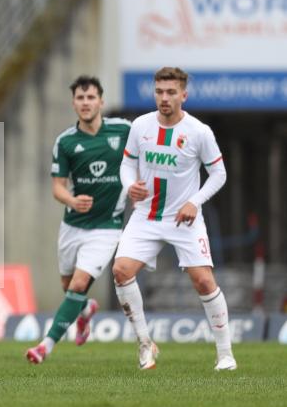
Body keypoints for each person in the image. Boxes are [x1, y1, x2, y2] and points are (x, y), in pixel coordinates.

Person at [112, 67, 235, 371]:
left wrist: (195, 201)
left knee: (204, 281)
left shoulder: (199, 131)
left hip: (184, 219)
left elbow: (219, 174)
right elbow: (126, 165)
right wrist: (130, 186)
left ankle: (225, 355)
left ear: (184, 95)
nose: (164, 98)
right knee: (121, 270)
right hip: (146, 216)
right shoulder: (140, 126)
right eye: (159, 92)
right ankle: (144, 343)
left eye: (170, 92)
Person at [26, 76, 131, 364]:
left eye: (91, 98)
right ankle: (84, 311)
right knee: (67, 284)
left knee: (78, 284)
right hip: (73, 225)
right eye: (80, 98)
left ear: (101, 102)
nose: (86, 103)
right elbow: (58, 186)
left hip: (107, 227)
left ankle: (44, 346)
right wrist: (72, 200)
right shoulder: (66, 141)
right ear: (74, 103)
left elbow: (148, 144)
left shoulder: (123, 130)